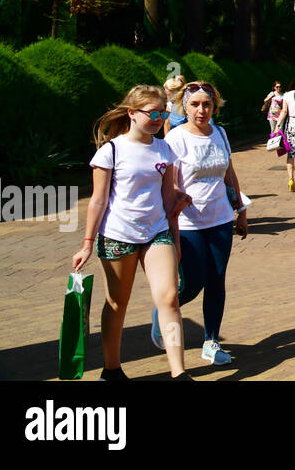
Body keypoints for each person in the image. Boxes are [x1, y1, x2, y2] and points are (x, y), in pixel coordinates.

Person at [72, 85, 192, 380]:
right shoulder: (111, 151)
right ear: (131, 113)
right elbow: (98, 201)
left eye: (162, 112)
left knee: (169, 297)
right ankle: (112, 369)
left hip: (156, 232)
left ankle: (179, 372)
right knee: (117, 302)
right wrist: (87, 244)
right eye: (152, 112)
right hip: (117, 235)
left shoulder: (165, 149)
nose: (158, 118)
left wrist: (175, 238)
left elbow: (167, 201)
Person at [164, 81, 247, 366]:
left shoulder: (220, 133)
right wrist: (178, 199)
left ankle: (211, 341)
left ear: (214, 106)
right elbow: (171, 183)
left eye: (207, 104)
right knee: (192, 281)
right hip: (189, 223)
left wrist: (241, 211)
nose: (201, 110)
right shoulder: (176, 138)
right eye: (195, 104)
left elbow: (229, 175)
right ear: (184, 107)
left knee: (217, 280)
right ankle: (164, 310)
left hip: (221, 219)